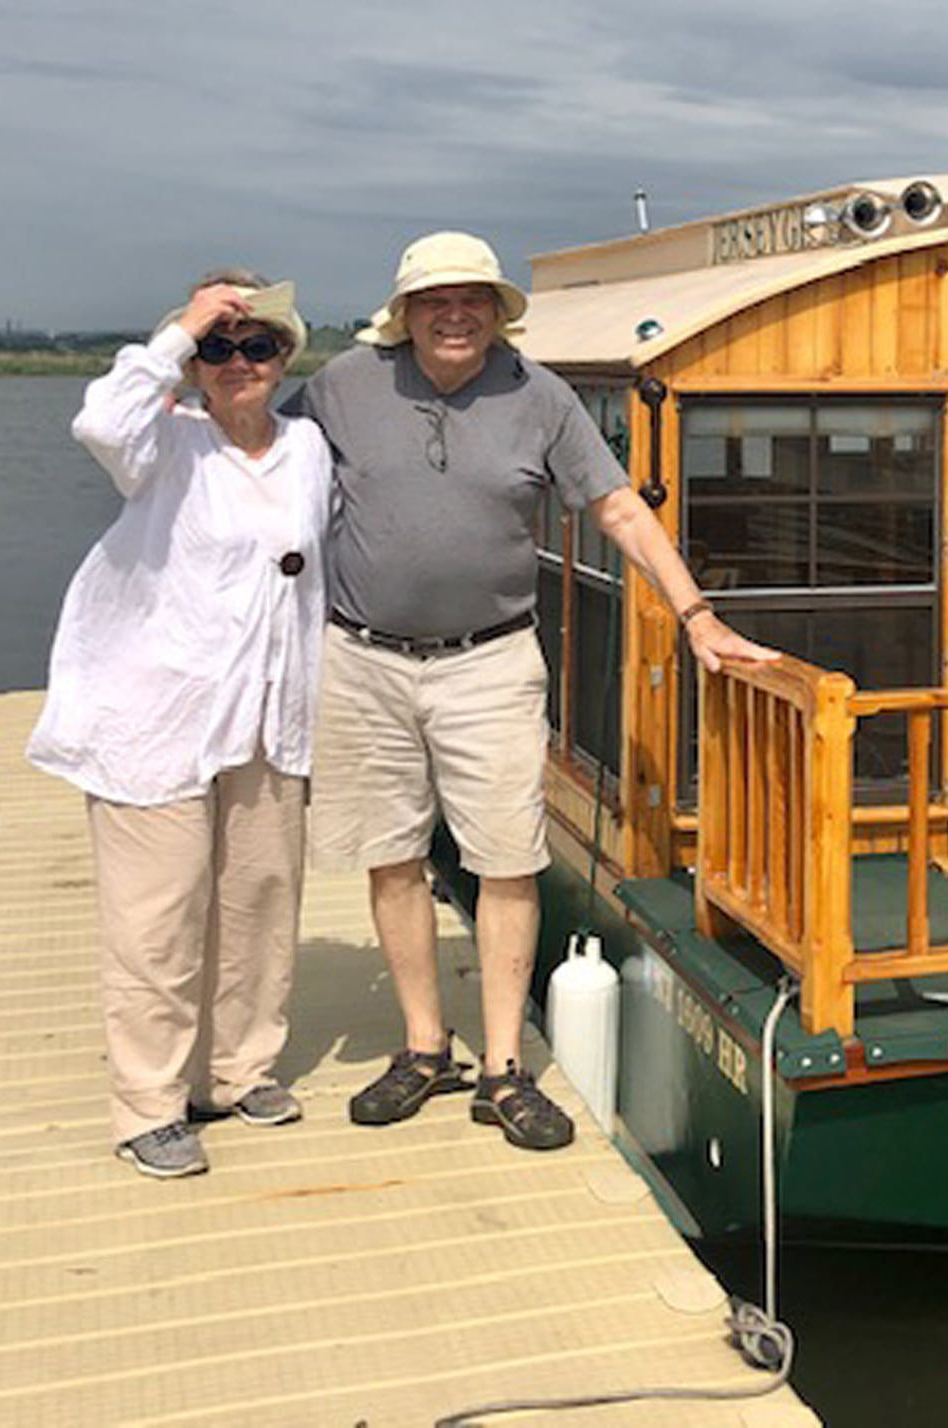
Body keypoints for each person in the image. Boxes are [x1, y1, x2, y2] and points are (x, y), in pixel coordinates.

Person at [290, 232, 773, 1152]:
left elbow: (620, 508)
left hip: (490, 661)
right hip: (362, 660)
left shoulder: (541, 396)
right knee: (390, 857)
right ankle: (424, 1047)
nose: (456, 314)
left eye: (473, 298)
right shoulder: (342, 386)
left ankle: (504, 1068)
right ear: (406, 314)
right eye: (436, 301)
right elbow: (259, 468)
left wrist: (696, 614)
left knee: (507, 857)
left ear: (496, 310)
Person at [28, 273, 331, 1178]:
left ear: (285, 356)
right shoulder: (161, 442)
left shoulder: (309, 447)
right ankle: (149, 1104)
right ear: (193, 364)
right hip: (155, 720)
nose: (239, 363)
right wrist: (178, 329)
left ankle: (236, 1072)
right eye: (218, 348)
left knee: (258, 905)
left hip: (268, 718)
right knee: (156, 921)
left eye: (257, 345)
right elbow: (99, 422)